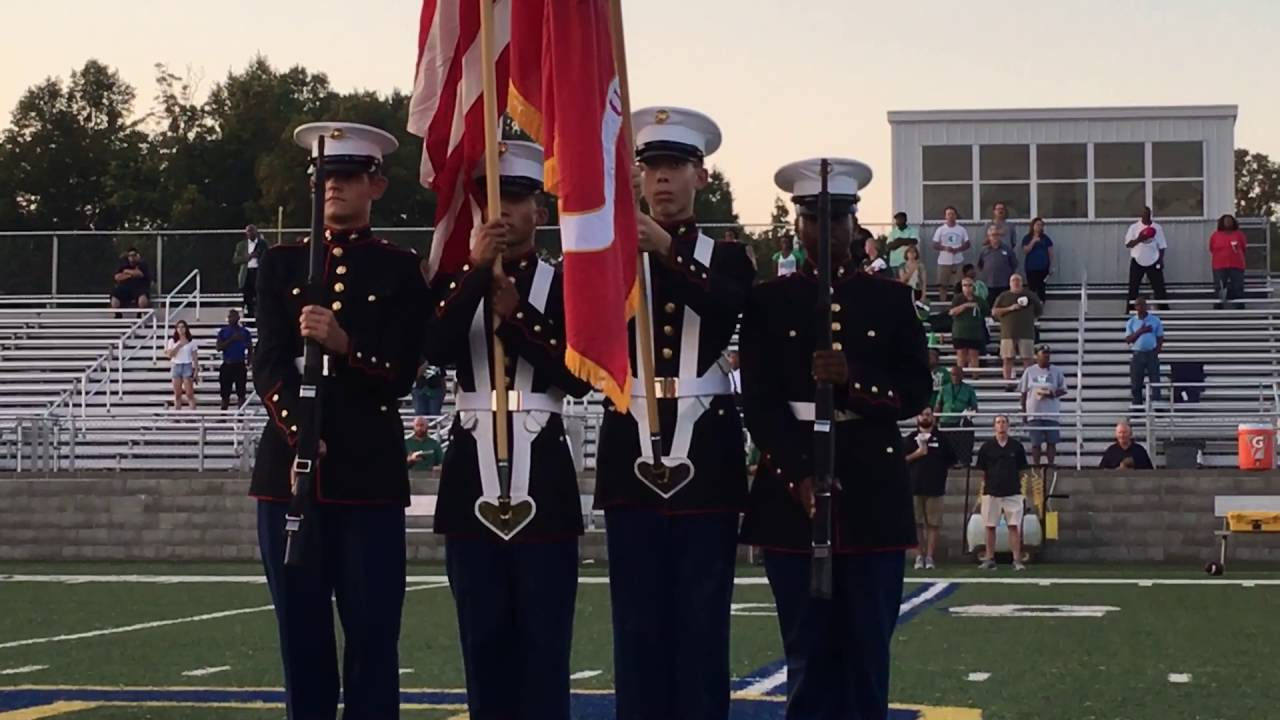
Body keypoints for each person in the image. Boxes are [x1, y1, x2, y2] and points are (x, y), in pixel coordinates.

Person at [251, 121, 430, 720]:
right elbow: (268, 360)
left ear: (376, 185)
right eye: (324, 178)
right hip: (288, 477)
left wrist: (347, 344)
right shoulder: (280, 265)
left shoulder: (400, 269)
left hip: (368, 477)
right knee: (301, 640)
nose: (334, 188)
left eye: (348, 177)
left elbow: (403, 372)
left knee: (373, 635)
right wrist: (296, 426)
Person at [741, 156, 930, 719]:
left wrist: (856, 381)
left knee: (867, 652)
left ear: (856, 225)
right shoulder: (768, 301)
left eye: (840, 218)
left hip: (872, 489)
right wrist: (798, 474)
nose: (828, 231)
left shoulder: (891, 299)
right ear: (797, 226)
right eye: (815, 219)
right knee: (807, 652)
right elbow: (760, 403)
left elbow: (917, 389)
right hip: (791, 490)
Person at [594, 107, 754, 720]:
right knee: (635, 625)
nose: (661, 179)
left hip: (704, 447)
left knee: (700, 620)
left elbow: (724, 309)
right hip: (630, 440)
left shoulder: (728, 254)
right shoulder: (608, 253)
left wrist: (664, 250)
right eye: (651, 167)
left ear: (700, 175)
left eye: (674, 167)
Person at [427, 140, 595, 720]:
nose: (501, 211)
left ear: (539, 213)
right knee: (483, 640)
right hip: (472, 464)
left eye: (516, 198)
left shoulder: (565, 283)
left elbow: (577, 378)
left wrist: (516, 314)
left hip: (542, 466)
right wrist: (476, 274)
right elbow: (434, 349)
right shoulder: (456, 281)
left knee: (544, 645)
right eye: (488, 199)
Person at [974, 415, 1030, 571]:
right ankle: (989, 558)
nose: (1001, 425)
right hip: (991, 492)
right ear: (994, 426)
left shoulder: (1016, 446)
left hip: (1012, 492)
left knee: (1014, 526)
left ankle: (1017, 560)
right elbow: (983, 471)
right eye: (998, 422)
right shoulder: (987, 447)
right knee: (990, 526)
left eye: (1004, 422)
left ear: (1008, 426)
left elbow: (1021, 470)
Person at [904, 407, 956, 571]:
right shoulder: (910, 439)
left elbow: (952, 460)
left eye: (928, 414)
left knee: (933, 524)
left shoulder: (942, 438)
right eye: (922, 414)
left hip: (935, 488)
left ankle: (930, 557)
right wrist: (918, 454)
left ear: (933, 417)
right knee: (916, 524)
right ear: (917, 417)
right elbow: (901, 460)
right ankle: (919, 556)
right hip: (914, 488)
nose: (925, 417)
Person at [1018, 344, 1069, 466]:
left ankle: (1050, 464)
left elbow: (1063, 389)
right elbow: (1023, 392)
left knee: (1052, 441)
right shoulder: (1029, 371)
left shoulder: (1056, 371)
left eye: (1048, 356)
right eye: (1044, 356)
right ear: (1037, 357)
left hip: (1051, 413)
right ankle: (1036, 464)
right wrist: (1024, 412)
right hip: (1034, 413)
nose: (1047, 359)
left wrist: (1052, 394)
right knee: (1036, 442)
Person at [991, 274, 1043, 382]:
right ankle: (1008, 382)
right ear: (1009, 283)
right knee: (1007, 359)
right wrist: (1010, 308)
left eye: (1018, 280)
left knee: (1028, 359)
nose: (1016, 282)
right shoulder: (1003, 296)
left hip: (1026, 333)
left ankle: (1028, 383)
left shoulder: (1030, 295)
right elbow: (994, 312)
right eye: (1013, 280)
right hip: (1008, 333)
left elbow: (1039, 311)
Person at [1124, 206, 1169, 311]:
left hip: (1153, 261)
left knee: (1159, 288)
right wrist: (1140, 238)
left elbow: (1162, 246)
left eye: (1148, 214)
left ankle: (1165, 310)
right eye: (1144, 214)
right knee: (1133, 288)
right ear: (1141, 215)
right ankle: (1130, 311)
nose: (1146, 216)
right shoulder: (1134, 228)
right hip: (1137, 261)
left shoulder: (1157, 228)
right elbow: (1128, 244)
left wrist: (1160, 260)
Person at [1125, 296, 1165, 407]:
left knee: (1155, 380)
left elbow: (1160, 337)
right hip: (1137, 354)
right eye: (1138, 305)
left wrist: (1157, 350)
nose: (1141, 307)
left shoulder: (1155, 320)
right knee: (1136, 382)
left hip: (1151, 353)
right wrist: (1141, 331)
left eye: (1143, 305)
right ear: (1135, 307)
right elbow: (1128, 339)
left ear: (1146, 306)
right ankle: (1137, 406)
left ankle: (1157, 406)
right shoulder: (1131, 322)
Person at [936, 364, 979, 465]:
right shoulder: (944, 388)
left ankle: (964, 462)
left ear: (962, 375)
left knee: (966, 441)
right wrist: (935, 420)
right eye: (952, 374)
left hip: (961, 422)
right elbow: (938, 405)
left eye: (957, 374)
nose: (954, 376)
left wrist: (969, 412)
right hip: (946, 420)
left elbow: (975, 407)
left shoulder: (969, 389)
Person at [215, 309, 252, 411]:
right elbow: (218, 347)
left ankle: (241, 414)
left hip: (239, 364)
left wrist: (249, 360)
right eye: (230, 317)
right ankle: (223, 414)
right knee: (225, 392)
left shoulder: (245, 332)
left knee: (241, 392)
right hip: (227, 364)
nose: (232, 319)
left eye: (234, 316)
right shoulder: (223, 332)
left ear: (238, 318)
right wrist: (231, 340)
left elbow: (250, 348)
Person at [931, 205, 970, 302]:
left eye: (952, 214)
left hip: (958, 261)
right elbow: (934, 244)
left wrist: (959, 249)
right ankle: (942, 303)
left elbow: (968, 244)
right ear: (945, 216)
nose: (951, 216)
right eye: (948, 214)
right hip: (944, 261)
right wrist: (944, 247)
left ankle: (957, 302)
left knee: (958, 285)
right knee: (942, 285)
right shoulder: (940, 229)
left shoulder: (961, 229)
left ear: (956, 216)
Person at [949, 278, 989, 369]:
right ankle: (960, 378)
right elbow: (952, 312)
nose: (967, 288)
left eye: (970, 285)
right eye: (965, 285)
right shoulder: (957, 299)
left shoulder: (979, 300)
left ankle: (975, 377)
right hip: (960, 332)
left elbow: (986, 312)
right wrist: (965, 305)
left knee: (974, 356)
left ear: (973, 287)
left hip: (975, 333)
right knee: (961, 356)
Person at [1209, 214, 1247, 309]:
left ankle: (1239, 307)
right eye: (1226, 221)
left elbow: (1243, 247)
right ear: (1222, 223)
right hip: (1219, 265)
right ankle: (1218, 306)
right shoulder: (1215, 235)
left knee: (1238, 286)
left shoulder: (1239, 234)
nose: (1228, 222)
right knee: (1219, 286)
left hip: (1237, 265)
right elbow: (1211, 248)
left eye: (1230, 220)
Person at [164, 320, 199, 410]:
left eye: (183, 327)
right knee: (177, 394)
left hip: (187, 365)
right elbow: (169, 355)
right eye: (178, 327)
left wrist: (196, 371)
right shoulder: (172, 341)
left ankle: (193, 415)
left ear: (186, 328)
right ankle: (177, 416)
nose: (181, 329)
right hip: (176, 365)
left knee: (189, 393)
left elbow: (195, 357)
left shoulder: (191, 341)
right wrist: (179, 345)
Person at [977, 224, 1017, 301]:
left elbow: (1014, 264)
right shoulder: (984, 251)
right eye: (992, 235)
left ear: (1000, 236)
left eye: (997, 234)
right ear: (989, 237)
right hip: (988, 285)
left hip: (1004, 284)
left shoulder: (1008, 249)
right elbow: (980, 265)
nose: (995, 237)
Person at [234, 224, 266, 317]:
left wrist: (258, 256)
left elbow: (268, 256)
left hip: (258, 272)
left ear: (256, 232)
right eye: (248, 231)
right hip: (247, 273)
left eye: (252, 231)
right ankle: (248, 318)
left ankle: (259, 317)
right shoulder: (241, 245)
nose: (250, 233)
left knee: (259, 296)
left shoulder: (262, 244)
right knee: (247, 297)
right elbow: (235, 259)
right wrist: (247, 257)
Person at [110, 247, 152, 313]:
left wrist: (126, 272)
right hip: (125, 288)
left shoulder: (142, 264)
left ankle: (140, 314)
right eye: (130, 255)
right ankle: (118, 315)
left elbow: (139, 274)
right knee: (115, 297)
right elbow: (117, 277)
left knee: (143, 299)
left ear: (138, 256)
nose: (132, 257)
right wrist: (132, 274)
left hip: (139, 288)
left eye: (134, 255)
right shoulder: (123, 265)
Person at [1021, 217, 1053, 303]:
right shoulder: (1027, 238)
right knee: (1032, 288)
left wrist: (1051, 266)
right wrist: (1033, 241)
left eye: (1041, 225)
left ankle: (1041, 304)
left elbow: (1050, 252)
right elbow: (1025, 251)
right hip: (1031, 268)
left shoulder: (1045, 238)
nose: (1039, 227)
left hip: (1043, 268)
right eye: (1037, 225)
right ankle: (1032, 306)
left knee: (1041, 288)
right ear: (1033, 226)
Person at [886, 210, 920, 276]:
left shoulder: (913, 230)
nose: (898, 221)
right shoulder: (892, 232)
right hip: (895, 262)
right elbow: (889, 246)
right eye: (896, 219)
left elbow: (914, 241)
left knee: (908, 283)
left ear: (905, 219)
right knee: (896, 284)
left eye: (900, 219)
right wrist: (905, 241)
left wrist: (898, 241)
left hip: (908, 262)